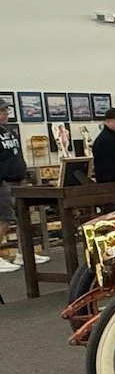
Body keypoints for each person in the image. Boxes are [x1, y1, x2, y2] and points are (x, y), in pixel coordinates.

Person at [0, 98, 49, 272]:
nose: (5, 113)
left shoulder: (6, 130)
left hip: (17, 181)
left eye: (6, 110)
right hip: (2, 183)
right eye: (1, 111)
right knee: (4, 219)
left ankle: (24, 253)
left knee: (23, 218)